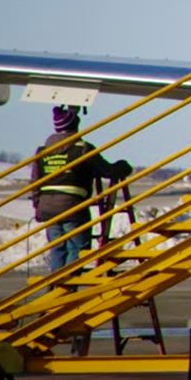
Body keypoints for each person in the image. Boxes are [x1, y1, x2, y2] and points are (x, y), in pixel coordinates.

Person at [31, 106, 132, 271]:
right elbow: (106, 170)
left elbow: (35, 182)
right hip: (72, 207)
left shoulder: (42, 152)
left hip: (48, 208)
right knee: (77, 247)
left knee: (57, 247)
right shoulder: (82, 148)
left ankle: (57, 285)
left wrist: (37, 206)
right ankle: (69, 284)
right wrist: (122, 167)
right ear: (75, 127)